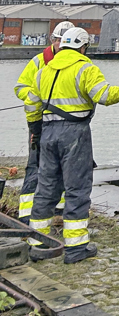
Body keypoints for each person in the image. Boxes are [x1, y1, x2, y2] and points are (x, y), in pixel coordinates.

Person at [25, 26, 119, 264]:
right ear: (83, 47)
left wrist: (35, 132)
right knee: (77, 189)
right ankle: (76, 249)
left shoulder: (43, 71)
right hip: (74, 134)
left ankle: (37, 245)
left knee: (46, 188)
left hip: (47, 133)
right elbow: (105, 96)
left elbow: (31, 105)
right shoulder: (85, 68)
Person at [14, 20, 74, 224]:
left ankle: (58, 211)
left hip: (65, 124)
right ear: (53, 40)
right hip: (41, 122)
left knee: (64, 167)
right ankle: (26, 214)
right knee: (35, 166)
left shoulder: (78, 63)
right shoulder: (39, 62)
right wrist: (38, 97)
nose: (61, 45)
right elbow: (20, 88)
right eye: (59, 41)